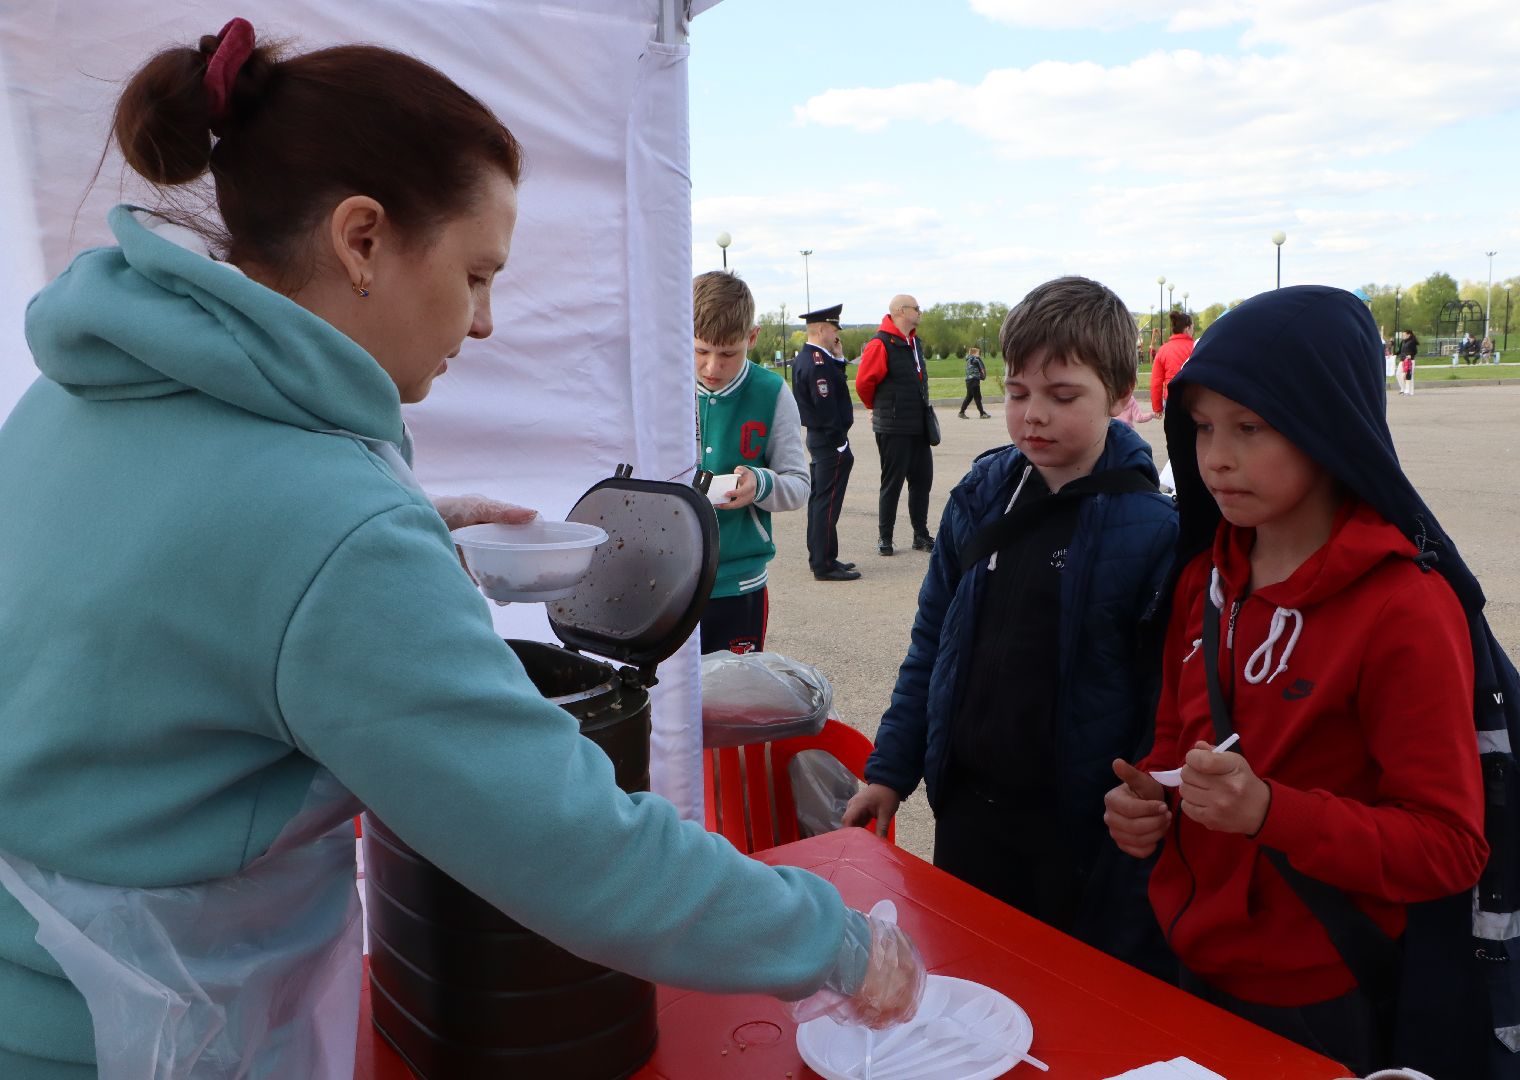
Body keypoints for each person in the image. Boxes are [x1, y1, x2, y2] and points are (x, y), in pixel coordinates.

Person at [0, 25, 923, 1077]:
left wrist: (393, 542)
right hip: (135, 1039)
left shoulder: (83, 393)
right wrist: (834, 942)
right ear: (361, 240)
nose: (483, 322)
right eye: (477, 273)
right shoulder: (328, 526)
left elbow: (166, 589)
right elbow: (568, 844)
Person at [1104, 286, 1520, 1076]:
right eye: (1200, 428)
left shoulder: (1403, 606)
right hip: (1190, 958)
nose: (1214, 458)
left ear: (1325, 423)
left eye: (1249, 427)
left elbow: (1447, 849)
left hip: (1322, 992)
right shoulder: (1203, 576)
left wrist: (1270, 811)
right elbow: (1175, 743)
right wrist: (1152, 807)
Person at [844, 276, 1178, 972]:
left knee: (1061, 1001)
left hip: (1078, 833)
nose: (1034, 416)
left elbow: (1163, 701)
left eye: (1063, 397)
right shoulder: (979, 495)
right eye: (1017, 392)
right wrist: (890, 769)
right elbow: (930, 645)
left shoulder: (1152, 531)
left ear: (1120, 398)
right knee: (967, 977)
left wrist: (1148, 798)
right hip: (967, 814)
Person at [692, 271, 811, 649]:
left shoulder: (772, 392)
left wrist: (760, 484)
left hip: (738, 586)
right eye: (700, 351)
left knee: (734, 706)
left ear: (752, 338)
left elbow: (799, 485)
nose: (712, 367)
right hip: (666, 582)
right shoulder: (659, 385)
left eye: (728, 353)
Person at [856, 294, 935, 556]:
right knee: (892, 482)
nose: (920, 312)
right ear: (902, 311)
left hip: (918, 424)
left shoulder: (914, 342)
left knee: (922, 481)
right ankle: (885, 537)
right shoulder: (881, 343)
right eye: (916, 308)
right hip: (893, 425)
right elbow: (864, 383)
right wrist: (875, 408)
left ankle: (920, 535)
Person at [790, 303, 859, 582]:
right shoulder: (817, 362)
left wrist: (840, 359)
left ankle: (824, 557)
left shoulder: (815, 358)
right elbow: (826, 404)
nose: (836, 336)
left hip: (821, 438)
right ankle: (823, 564)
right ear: (820, 329)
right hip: (828, 439)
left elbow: (834, 387)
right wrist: (840, 441)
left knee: (821, 500)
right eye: (833, 330)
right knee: (827, 503)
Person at [1149, 310, 1196, 417]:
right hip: (1193, 399)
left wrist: (1157, 407)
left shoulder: (1163, 350)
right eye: (1192, 327)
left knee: (1173, 432)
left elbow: (1156, 381)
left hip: (1171, 399)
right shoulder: (1196, 348)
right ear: (1187, 328)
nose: (1193, 331)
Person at [958, 345, 990, 418]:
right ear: (974, 353)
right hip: (974, 381)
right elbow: (981, 369)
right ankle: (982, 414)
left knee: (969, 397)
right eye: (978, 353)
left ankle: (961, 412)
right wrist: (983, 375)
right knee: (977, 397)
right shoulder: (976, 359)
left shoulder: (969, 359)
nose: (979, 355)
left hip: (968, 381)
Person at [1397, 329, 1418, 396]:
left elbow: (1415, 351)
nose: (1403, 336)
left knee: (1409, 376)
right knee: (1398, 374)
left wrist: (1410, 355)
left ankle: (1409, 391)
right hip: (1402, 360)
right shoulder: (1402, 341)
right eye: (1402, 335)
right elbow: (1400, 351)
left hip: (1410, 360)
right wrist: (1394, 354)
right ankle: (1403, 388)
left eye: (1404, 335)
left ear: (1409, 335)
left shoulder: (1412, 342)